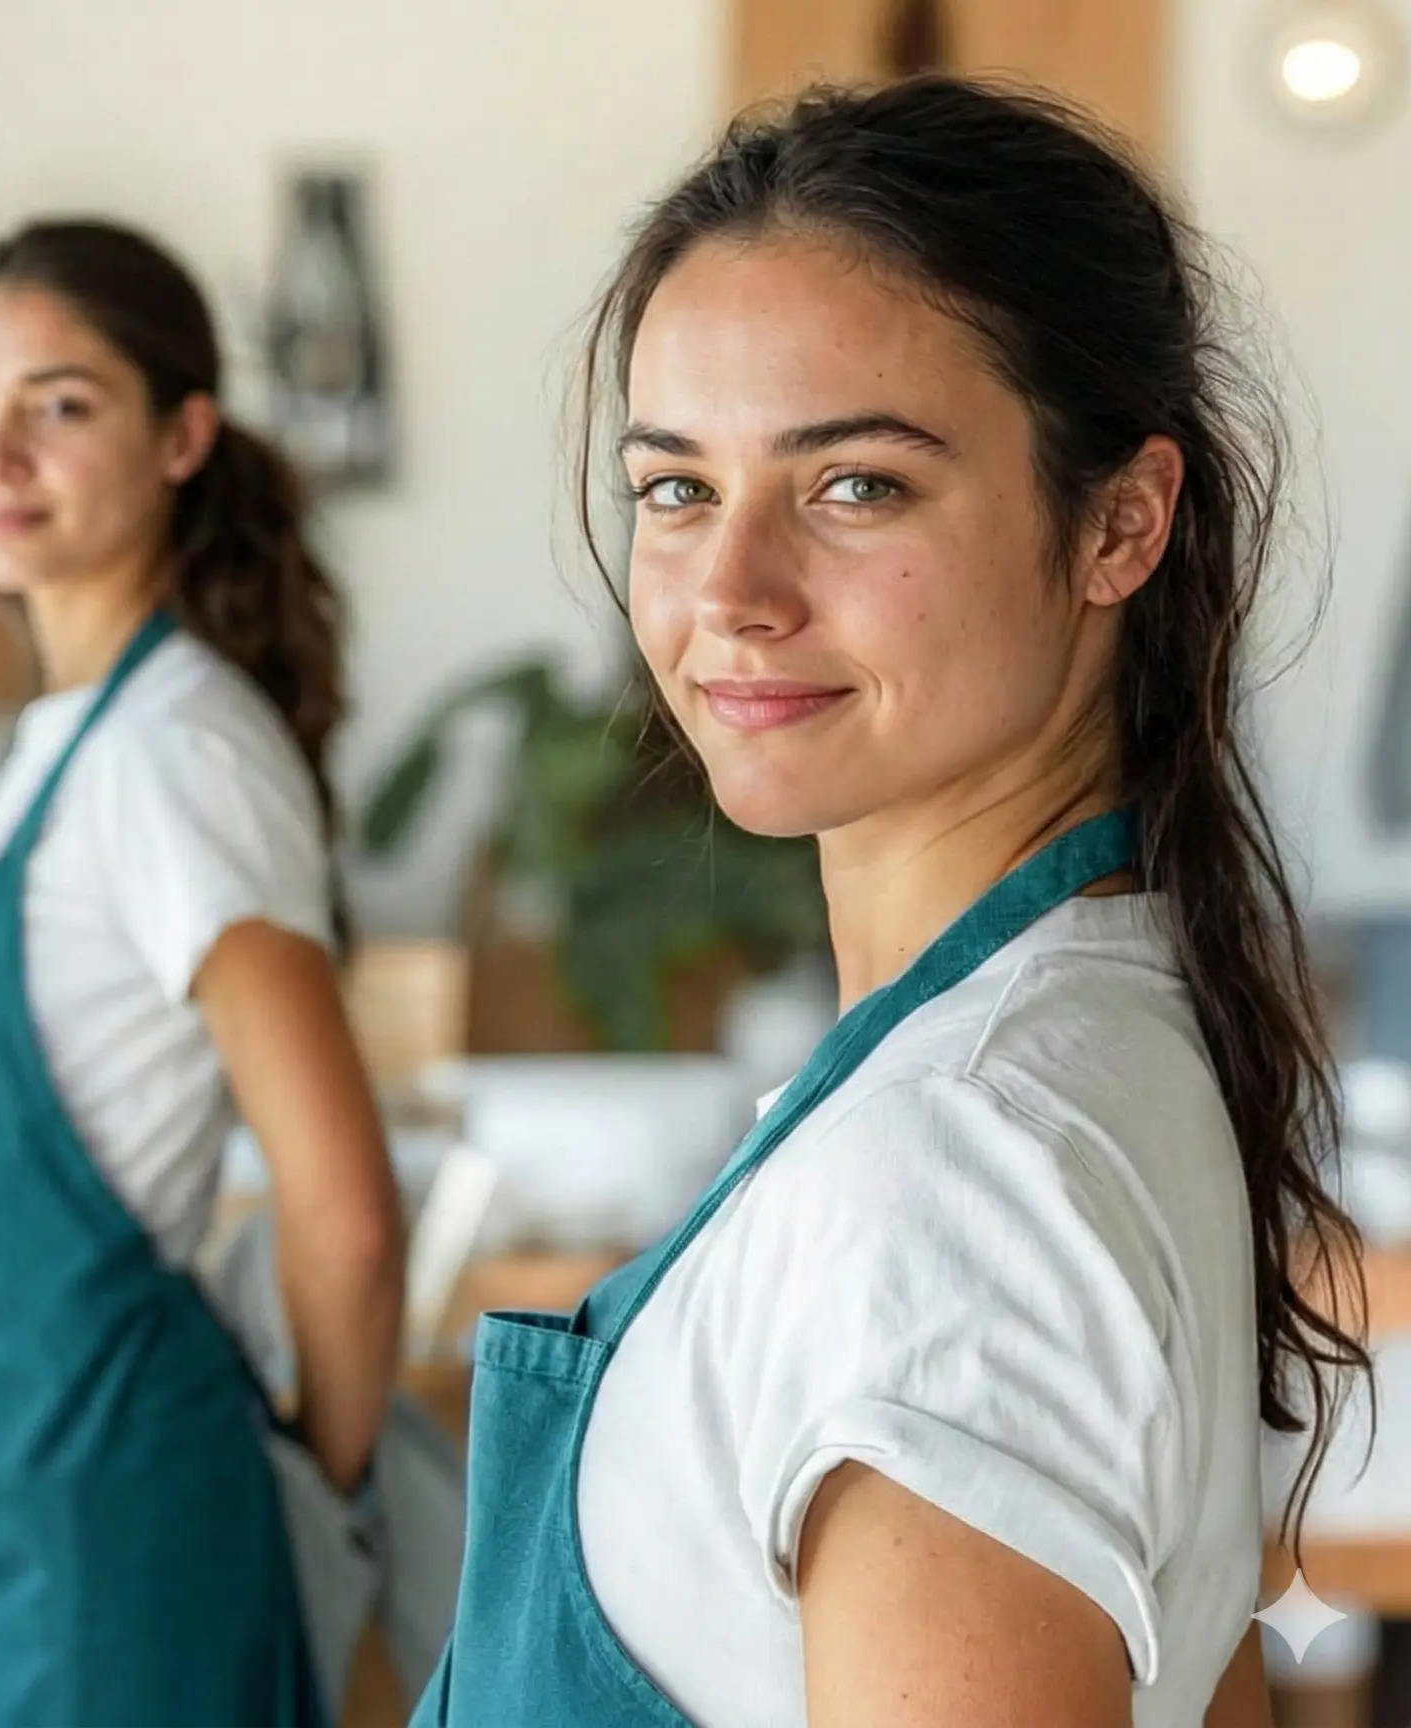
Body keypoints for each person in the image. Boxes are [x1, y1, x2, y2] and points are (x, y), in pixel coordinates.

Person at [417, 77, 1364, 1727]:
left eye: (854, 484)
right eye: (675, 488)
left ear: (1119, 524)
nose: (729, 594)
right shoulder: (1085, 1023)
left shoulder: (961, 1165)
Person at [0, 217, 406, 1727]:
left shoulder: (180, 754)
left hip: (106, 1537)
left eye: (61, 404)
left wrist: (320, 1497)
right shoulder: (65, 747)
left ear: (181, 437)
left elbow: (343, 1214)